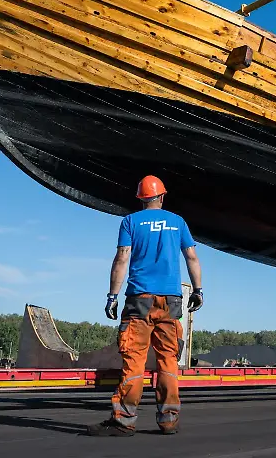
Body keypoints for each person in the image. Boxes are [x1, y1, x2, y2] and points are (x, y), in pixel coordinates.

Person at [88, 175, 204, 437]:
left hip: (139, 299)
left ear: (140, 198)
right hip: (171, 300)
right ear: (162, 196)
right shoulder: (178, 222)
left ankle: (125, 421)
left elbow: (122, 257)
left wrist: (112, 296)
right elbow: (192, 256)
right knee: (168, 360)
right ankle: (168, 421)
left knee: (134, 360)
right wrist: (197, 290)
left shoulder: (130, 222)